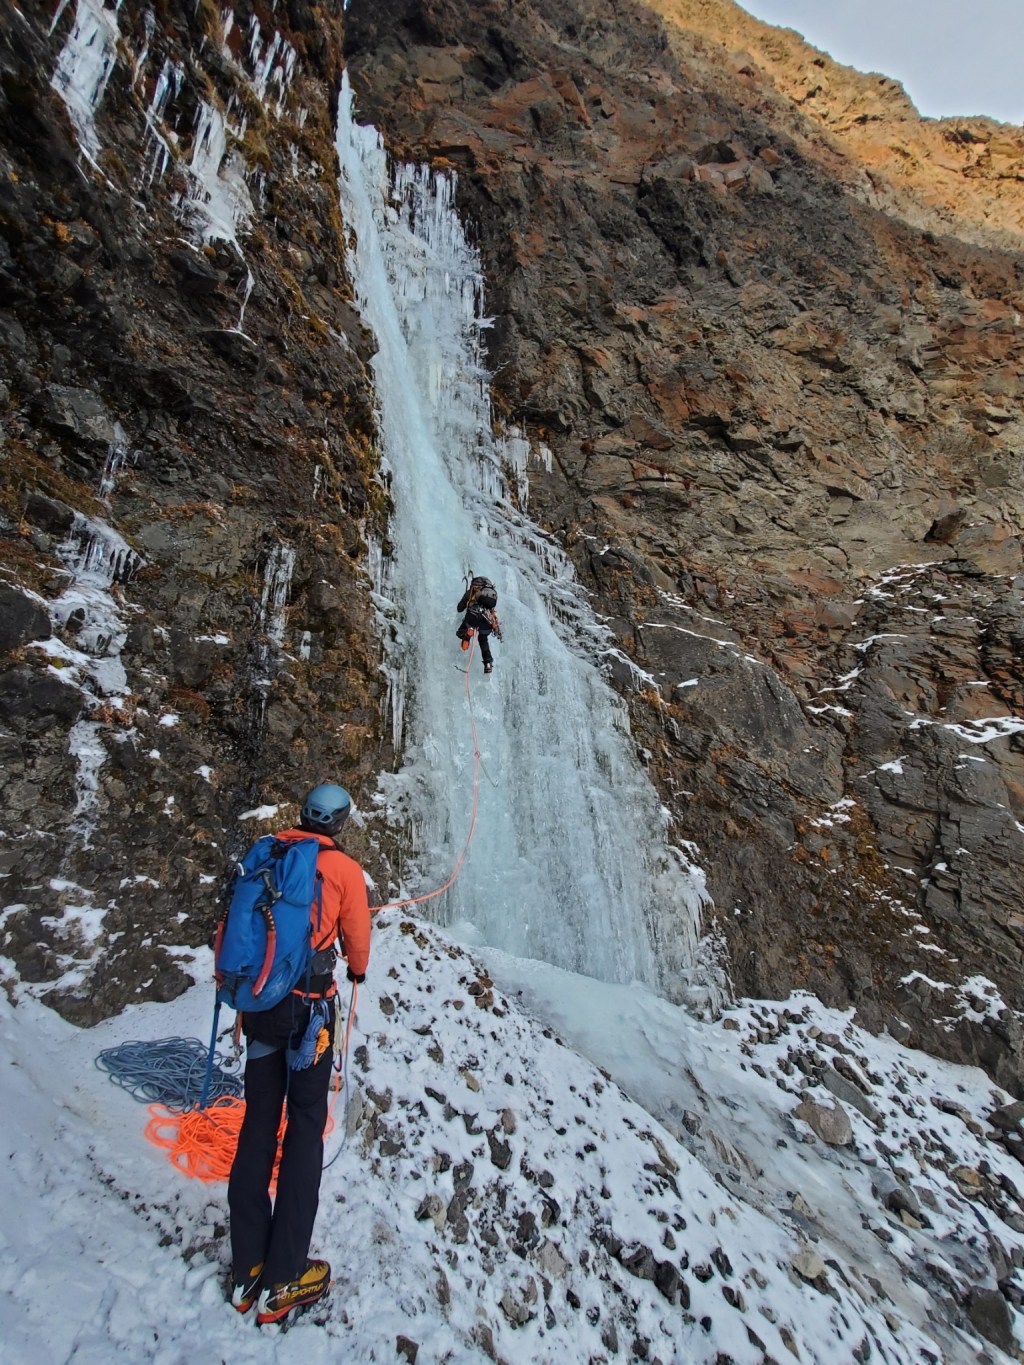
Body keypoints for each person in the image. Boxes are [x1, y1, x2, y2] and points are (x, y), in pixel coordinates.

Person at [228, 782, 371, 1325]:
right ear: (340, 822)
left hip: (261, 1005)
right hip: (309, 1012)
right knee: (305, 1128)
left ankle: (247, 1271)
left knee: (258, 1126)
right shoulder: (343, 871)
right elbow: (357, 941)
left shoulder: (265, 851)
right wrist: (356, 969)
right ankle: (284, 1277)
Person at [456, 574, 502, 674]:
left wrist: (466, 599)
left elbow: (459, 609)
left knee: (460, 632)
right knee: (483, 641)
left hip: (472, 617)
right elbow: (493, 613)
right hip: (486, 622)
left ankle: (467, 634)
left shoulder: (472, 592)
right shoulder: (491, 595)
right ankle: (488, 664)